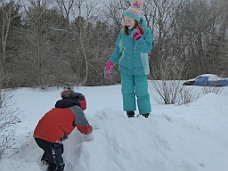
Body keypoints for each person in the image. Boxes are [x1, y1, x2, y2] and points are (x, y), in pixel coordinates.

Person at [104, 0, 153, 118]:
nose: (126, 23)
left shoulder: (146, 32)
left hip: (141, 69)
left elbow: (146, 49)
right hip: (125, 68)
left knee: (142, 92)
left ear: (136, 20)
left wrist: (138, 38)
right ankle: (130, 113)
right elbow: (118, 50)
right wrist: (110, 63)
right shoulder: (123, 33)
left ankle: (145, 115)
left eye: (129, 20)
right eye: (125, 20)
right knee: (127, 92)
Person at [33, 89, 93, 171]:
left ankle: (43, 164)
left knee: (53, 152)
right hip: (51, 139)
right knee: (57, 165)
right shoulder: (76, 109)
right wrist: (91, 129)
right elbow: (84, 128)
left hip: (39, 135)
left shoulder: (60, 108)